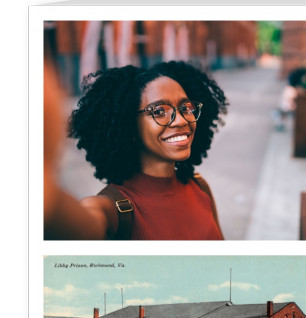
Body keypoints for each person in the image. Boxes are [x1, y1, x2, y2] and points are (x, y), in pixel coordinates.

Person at [44, 60, 228, 240]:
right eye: (159, 111)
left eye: (186, 107)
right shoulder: (111, 210)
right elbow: (74, 225)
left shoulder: (200, 187)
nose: (181, 120)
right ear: (129, 125)